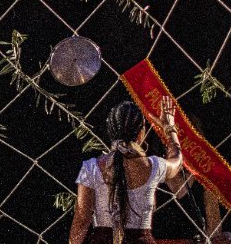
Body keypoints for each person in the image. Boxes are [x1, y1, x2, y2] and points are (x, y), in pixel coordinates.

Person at [69, 98, 184, 244]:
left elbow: (82, 221)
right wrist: (169, 128)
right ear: (141, 134)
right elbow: (177, 161)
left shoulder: (91, 168)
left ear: (110, 132)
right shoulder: (154, 166)